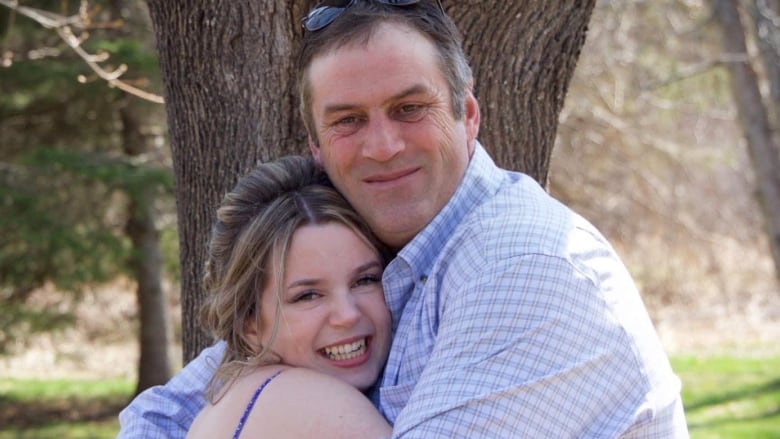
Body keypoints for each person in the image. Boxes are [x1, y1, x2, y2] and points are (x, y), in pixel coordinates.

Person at [119, 1, 689, 437]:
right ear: (316, 145)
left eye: (409, 109)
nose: (383, 146)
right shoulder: (359, 244)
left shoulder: (523, 264)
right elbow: (157, 415)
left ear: (467, 114)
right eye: (348, 121)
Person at [185, 155, 392, 438]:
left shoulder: (232, 400)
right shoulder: (324, 408)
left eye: (365, 280)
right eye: (308, 296)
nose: (348, 314)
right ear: (251, 324)